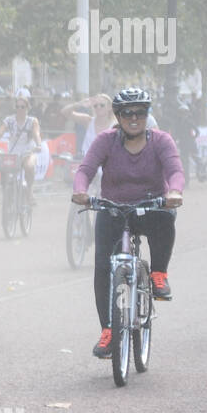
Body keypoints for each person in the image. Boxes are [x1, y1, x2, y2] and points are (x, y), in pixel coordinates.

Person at [72, 87, 185, 358]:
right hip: (112, 209)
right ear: (118, 116)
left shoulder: (161, 140)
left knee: (165, 219)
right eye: (127, 113)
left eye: (141, 112)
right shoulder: (105, 140)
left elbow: (175, 170)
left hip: (150, 208)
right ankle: (108, 330)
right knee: (102, 267)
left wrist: (174, 192)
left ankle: (159, 274)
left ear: (148, 115)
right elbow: (86, 169)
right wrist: (81, 190)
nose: (134, 118)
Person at [0, 87, 42, 208]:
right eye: (17, 107)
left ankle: (29, 191)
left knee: (29, 166)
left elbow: (36, 134)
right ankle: (7, 194)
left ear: (27, 108)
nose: (20, 109)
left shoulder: (32, 121)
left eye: (22, 107)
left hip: (28, 151)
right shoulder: (9, 120)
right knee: (2, 167)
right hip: (13, 153)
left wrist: (39, 144)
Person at [61, 93, 116, 159]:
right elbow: (64, 112)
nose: (98, 107)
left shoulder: (116, 125)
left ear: (109, 107)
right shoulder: (88, 121)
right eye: (95, 105)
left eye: (102, 105)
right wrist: (79, 104)